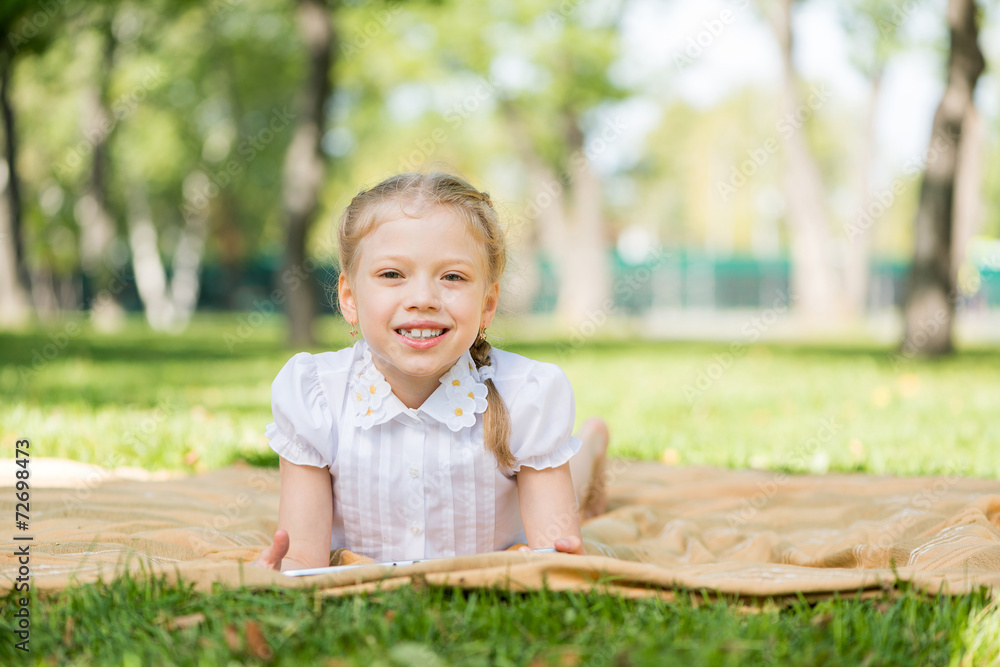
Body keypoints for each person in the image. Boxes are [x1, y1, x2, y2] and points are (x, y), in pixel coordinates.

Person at [254, 171, 609, 572]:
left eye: (452, 277)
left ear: (487, 305)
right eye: (392, 275)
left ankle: (590, 446)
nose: (422, 299)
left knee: (568, 479)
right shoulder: (316, 396)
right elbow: (302, 561)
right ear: (349, 298)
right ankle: (591, 444)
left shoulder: (526, 396)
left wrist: (560, 553)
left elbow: (555, 556)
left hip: (513, 518)